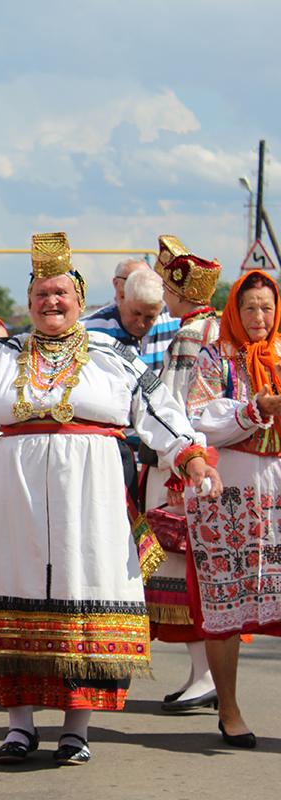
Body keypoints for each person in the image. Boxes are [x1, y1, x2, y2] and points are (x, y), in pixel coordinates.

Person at [0, 231, 220, 766]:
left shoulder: (109, 355)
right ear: (29, 304)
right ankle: (18, 726)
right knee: (15, 594)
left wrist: (189, 455)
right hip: (18, 499)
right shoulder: (2, 353)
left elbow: (157, 406)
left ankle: (77, 729)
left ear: (80, 301)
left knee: (84, 597)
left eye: (61, 294)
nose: (51, 303)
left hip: (91, 498)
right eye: (41, 295)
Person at [184, 268, 281, 749]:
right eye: (249, 308)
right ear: (234, 311)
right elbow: (199, 417)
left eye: (266, 307)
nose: (259, 317)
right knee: (225, 601)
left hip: (277, 486)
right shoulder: (216, 355)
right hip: (229, 490)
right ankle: (229, 708)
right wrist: (255, 408)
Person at [140, 236, 222, 713]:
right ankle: (202, 672)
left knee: (181, 565)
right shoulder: (213, 329)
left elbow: (172, 406)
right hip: (206, 461)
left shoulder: (190, 334)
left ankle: (206, 673)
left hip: (181, 464)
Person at [83, 258, 178, 373]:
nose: (141, 323)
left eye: (150, 317)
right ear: (122, 297)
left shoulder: (175, 323)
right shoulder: (89, 331)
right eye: (136, 313)